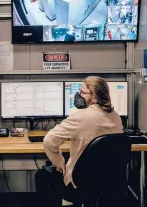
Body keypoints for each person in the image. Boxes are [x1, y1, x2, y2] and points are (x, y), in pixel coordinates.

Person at [35, 76, 123, 207]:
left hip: (81, 185)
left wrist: (60, 163)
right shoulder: (116, 116)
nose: (78, 96)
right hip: (109, 185)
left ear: (94, 96)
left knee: (42, 176)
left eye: (82, 92)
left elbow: (49, 140)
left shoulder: (80, 116)